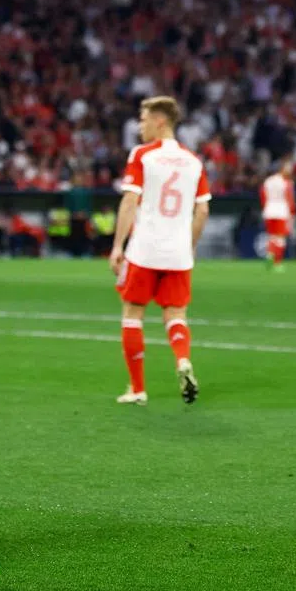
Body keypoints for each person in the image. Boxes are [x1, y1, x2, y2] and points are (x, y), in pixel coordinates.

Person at [110, 97, 210, 406]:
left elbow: (129, 202)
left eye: (143, 120)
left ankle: (138, 389)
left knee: (132, 314)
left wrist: (117, 245)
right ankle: (182, 360)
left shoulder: (143, 155)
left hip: (145, 249)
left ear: (160, 121)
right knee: (176, 314)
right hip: (179, 252)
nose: (139, 126)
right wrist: (188, 245)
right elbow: (203, 210)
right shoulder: (194, 161)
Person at [260, 159, 296, 272]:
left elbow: (263, 197)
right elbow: (290, 199)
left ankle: (270, 254)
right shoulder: (286, 183)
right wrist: (292, 213)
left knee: (272, 236)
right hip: (281, 211)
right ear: (282, 169)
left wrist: (266, 208)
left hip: (269, 211)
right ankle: (277, 263)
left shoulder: (267, 181)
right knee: (280, 238)